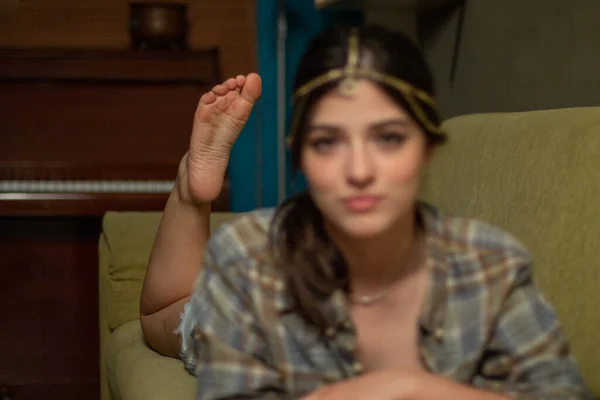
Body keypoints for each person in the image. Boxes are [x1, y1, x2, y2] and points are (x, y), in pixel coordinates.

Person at [139, 24, 593, 399]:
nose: (359, 171)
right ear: (299, 157)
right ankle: (191, 190)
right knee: (165, 318)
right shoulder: (251, 267)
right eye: (328, 142)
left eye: (389, 138)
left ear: (429, 150)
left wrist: (408, 386)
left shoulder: (490, 264)